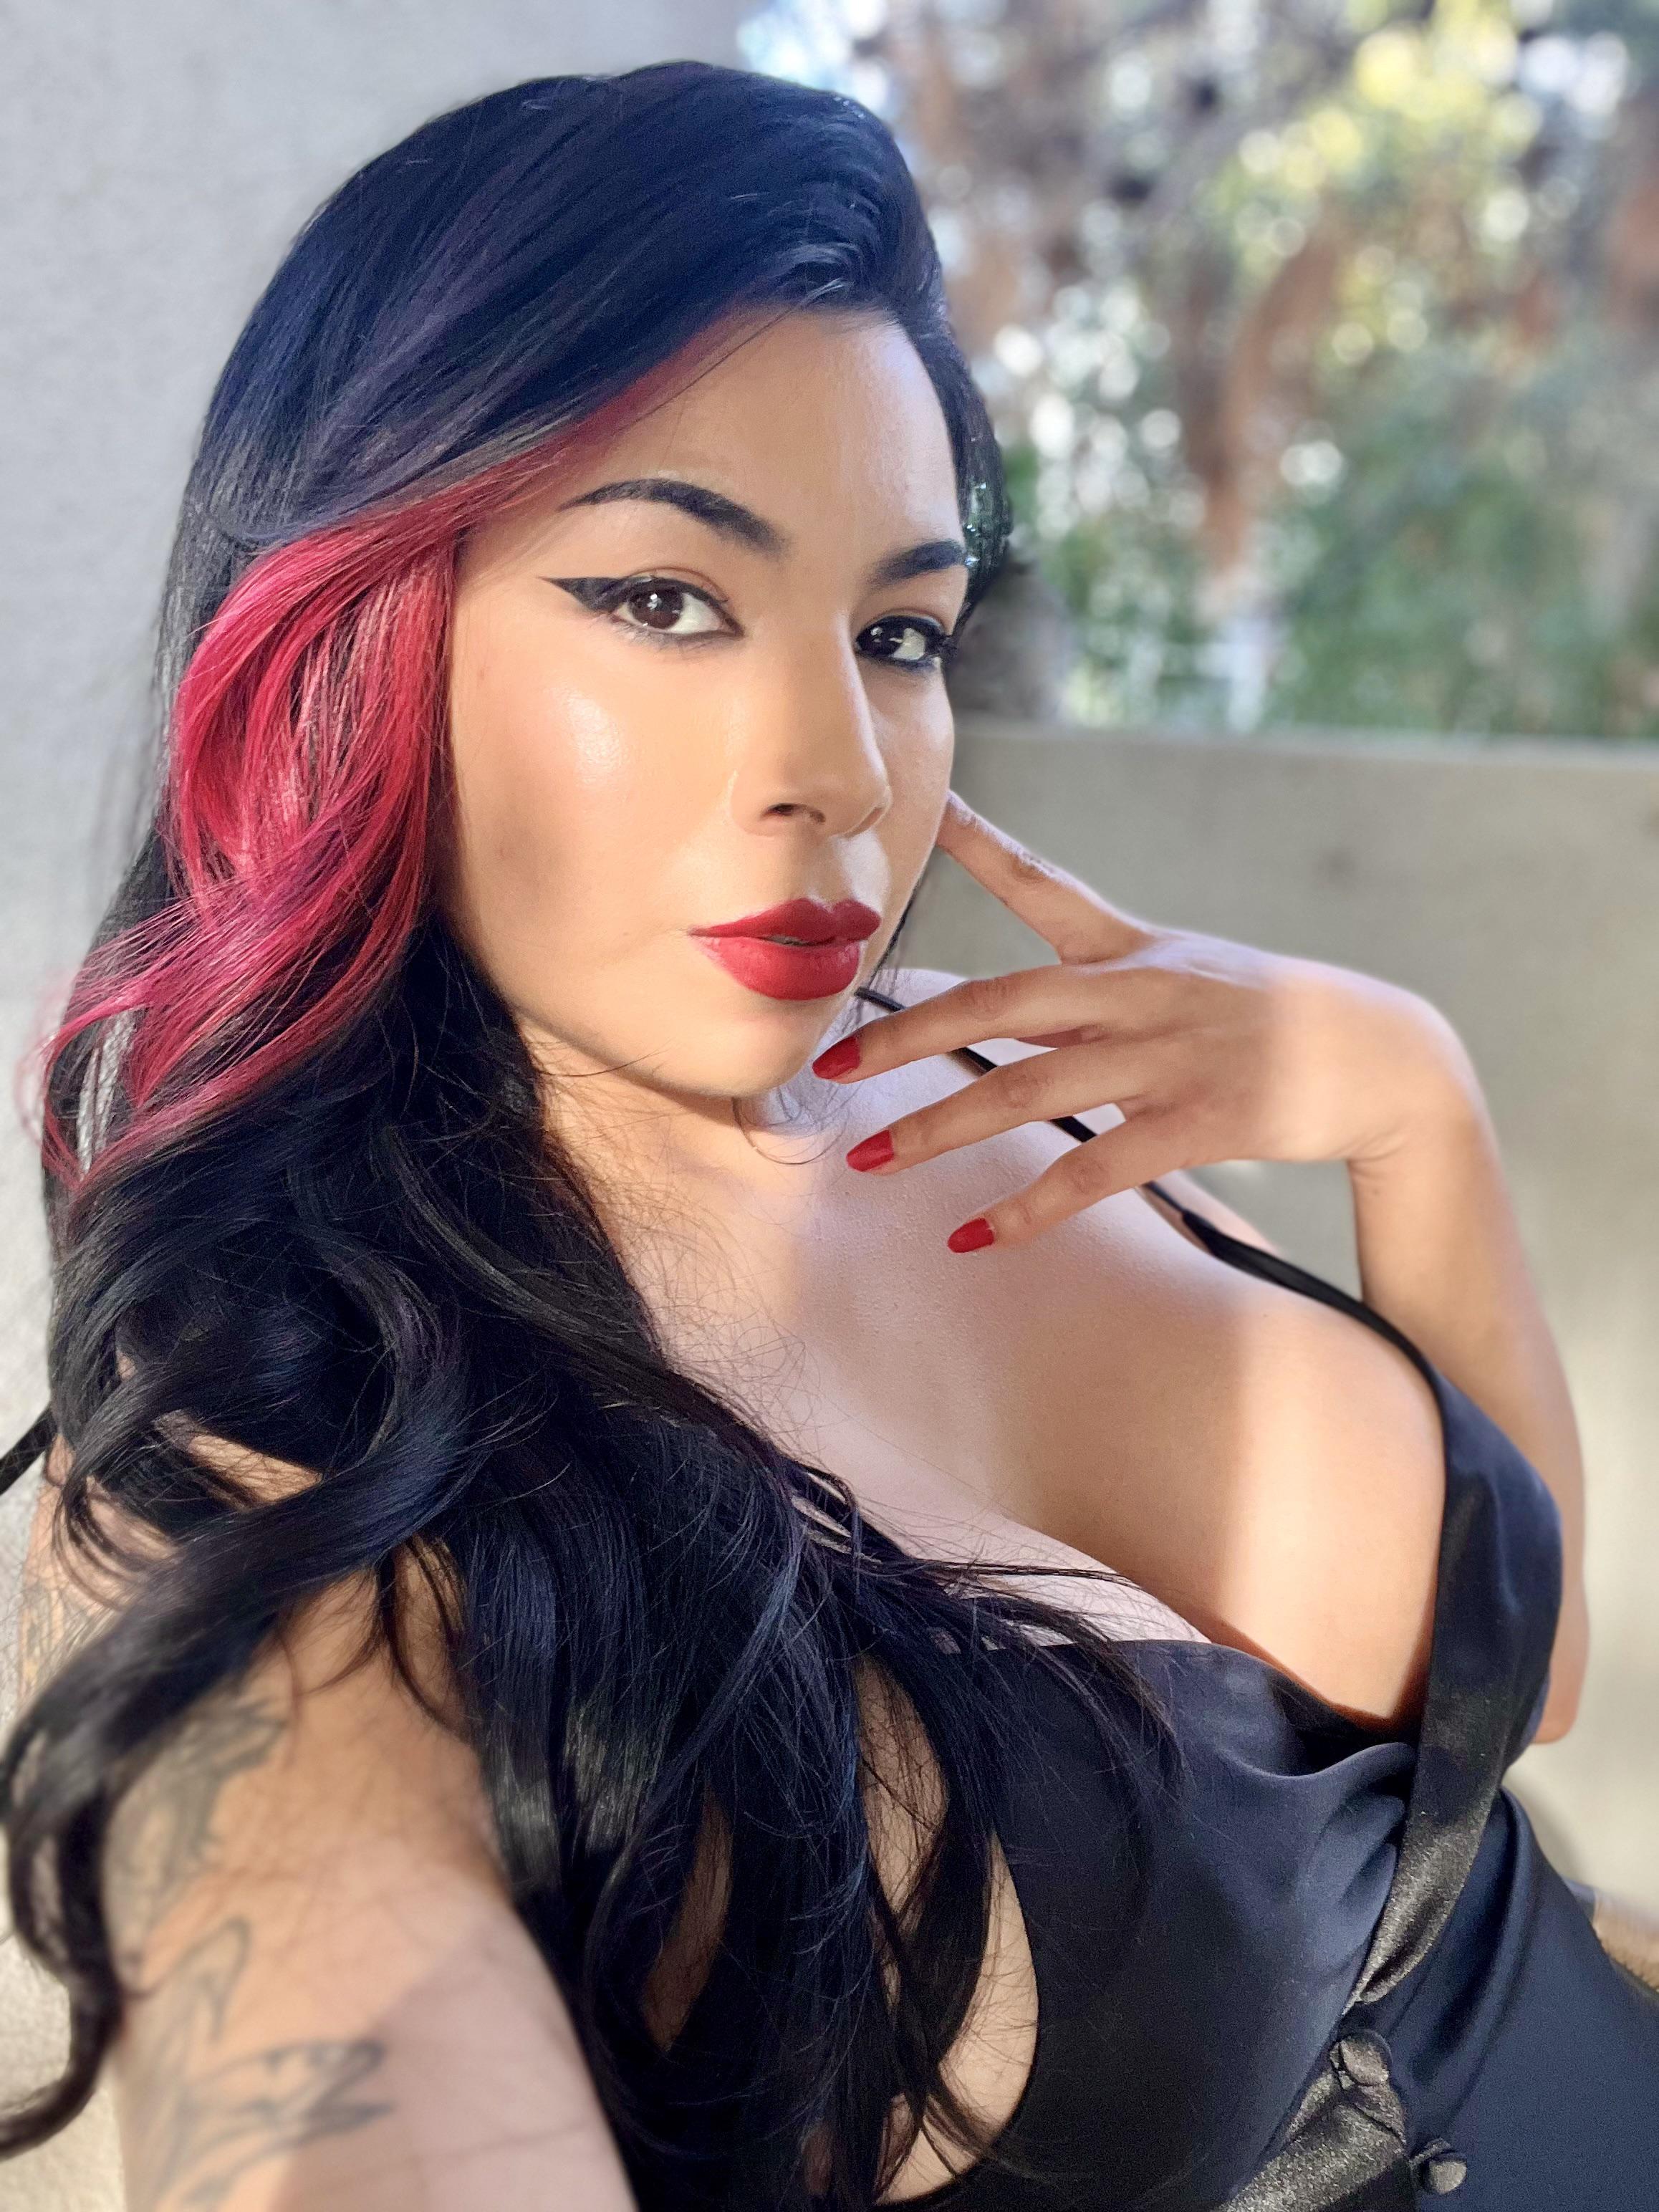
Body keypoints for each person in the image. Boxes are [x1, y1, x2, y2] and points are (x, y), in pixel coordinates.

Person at [1, 59, 1655, 2212]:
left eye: (895, 633)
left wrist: (1411, 1106)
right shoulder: (293, 1483)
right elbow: (337, 2035)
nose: (840, 769)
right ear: (353, 635)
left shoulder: (976, 1082)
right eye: (666, 599)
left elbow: (1522, 1686)